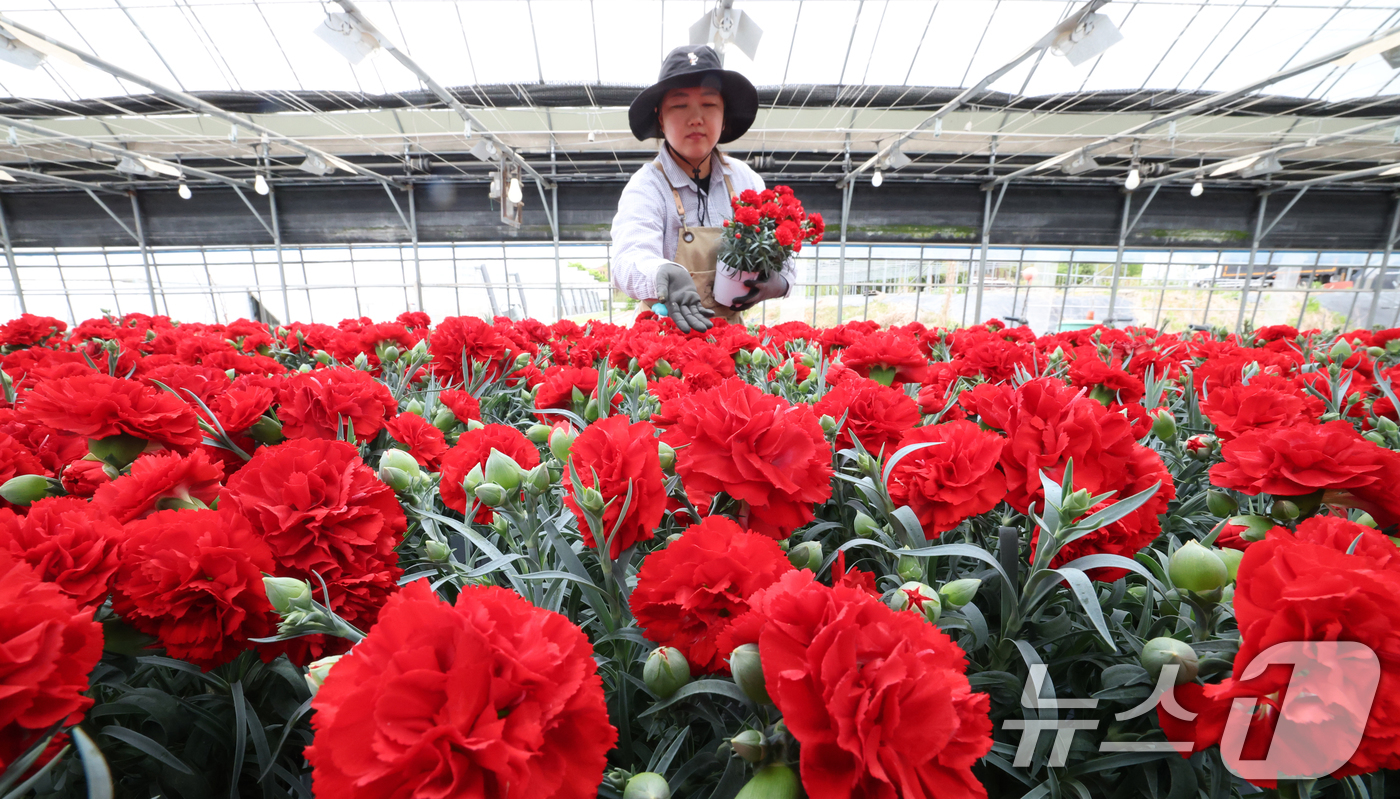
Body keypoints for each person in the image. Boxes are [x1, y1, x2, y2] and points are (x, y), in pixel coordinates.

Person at [610, 45, 795, 333]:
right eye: (680, 105)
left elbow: (783, 249)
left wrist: (779, 282)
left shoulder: (746, 180)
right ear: (660, 117)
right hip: (662, 338)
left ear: (724, 116)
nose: (696, 118)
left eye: (709, 105)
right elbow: (627, 259)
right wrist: (663, 274)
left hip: (732, 338)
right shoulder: (646, 186)